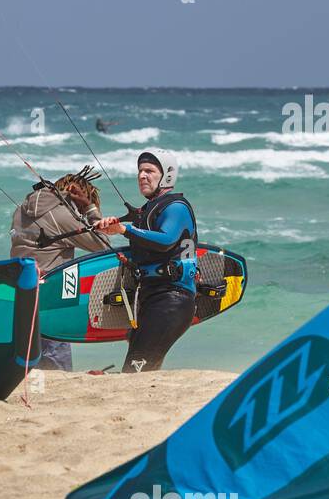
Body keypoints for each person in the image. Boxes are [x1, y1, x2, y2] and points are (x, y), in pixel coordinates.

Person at [101, 150, 197, 372]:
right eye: (140, 171)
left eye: (150, 171)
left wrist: (124, 229)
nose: (142, 176)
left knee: (135, 371)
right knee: (142, 370)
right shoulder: (147, 211)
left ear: (167, 175)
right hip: (150, 298)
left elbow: (166, 240)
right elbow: (139, 238)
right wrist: (109, 224)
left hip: (172, 301)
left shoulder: (176, 207)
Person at [10, 166, 112, 371]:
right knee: (56, 358)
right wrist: (90, 208)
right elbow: (104, 245)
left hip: (20, 291)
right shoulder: (62, 216)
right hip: (51, 296)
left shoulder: (22, 209)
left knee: (30, 357)